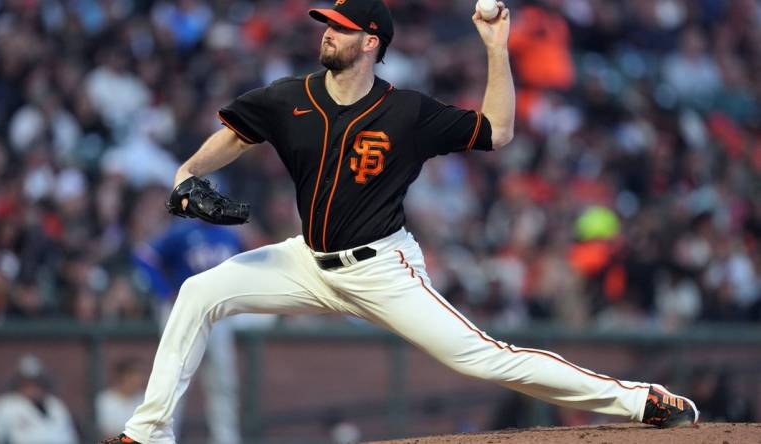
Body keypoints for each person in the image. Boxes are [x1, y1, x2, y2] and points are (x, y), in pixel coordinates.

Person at [103, 1, 698, 443]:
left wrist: (495, 46)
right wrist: (186, 172)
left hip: (383, 267)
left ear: (370, 42)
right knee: (199, 292)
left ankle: (640, 401)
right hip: (306, 260)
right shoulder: (290, 97)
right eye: (326, 24)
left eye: (339, 27)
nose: (327, 33)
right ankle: (147, 434)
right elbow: (235, 134)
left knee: (486, 358)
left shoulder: (405, 111)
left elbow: (498, 131)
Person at [133, 218, 254, 443]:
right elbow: (144, 255)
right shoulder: (180, 232)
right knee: (173, 380)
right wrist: (165, 291)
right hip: (184, 311)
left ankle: (225, 438)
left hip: (218, 314)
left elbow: (249, 268)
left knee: (223, 382)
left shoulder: (230, 235)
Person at [0, 355, 77, 444]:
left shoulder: (56, 405)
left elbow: (70, 436)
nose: (33, 387)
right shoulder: (5, 405)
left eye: (36, 381)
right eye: (27, 382)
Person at [96, 359, 146, 439]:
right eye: (135, 374)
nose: (141, 379)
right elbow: (108, 435)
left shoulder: (146, 400)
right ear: (124, 376)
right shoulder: (106, 400)